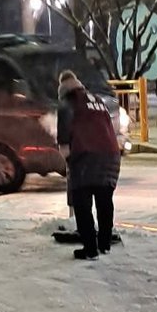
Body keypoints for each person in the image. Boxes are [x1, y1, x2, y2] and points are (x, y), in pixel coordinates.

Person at [57, 70, 121, 260]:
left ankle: (90, 249)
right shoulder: (97, 101)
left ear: (62, 90)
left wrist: (69, 163)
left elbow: (64, 142)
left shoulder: (66, 104)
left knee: (82, 204)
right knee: (104, 201)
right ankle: (104, 243)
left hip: (85, 156)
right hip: (111, 156)